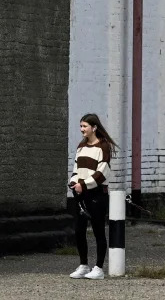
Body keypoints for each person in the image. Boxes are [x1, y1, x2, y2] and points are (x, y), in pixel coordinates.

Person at [67, 113, 117, 280]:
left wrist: (85, 184)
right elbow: (76, 169)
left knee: (98, 231)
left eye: (85, 126)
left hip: (97, 195)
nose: (82, 129)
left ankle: (99, 268)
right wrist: (74, 182)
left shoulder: (103, 146)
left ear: (94, 127)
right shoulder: (81, 146)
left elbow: (102, 173)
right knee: (79, 231)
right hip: (81, 194)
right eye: (81, 126)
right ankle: (83, 265)